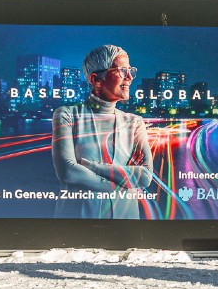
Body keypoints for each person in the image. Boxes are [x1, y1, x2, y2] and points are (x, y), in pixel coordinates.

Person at [52, 45, 157, 219]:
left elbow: (145, 177)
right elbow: (68, 172)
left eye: (130, 70)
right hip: (75, 226)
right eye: (122, 71)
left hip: (126, 228)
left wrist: (93, 167)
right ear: (96, 79)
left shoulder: (134, 123)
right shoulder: (67, 115)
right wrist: (125, 181)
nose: (130, 77)